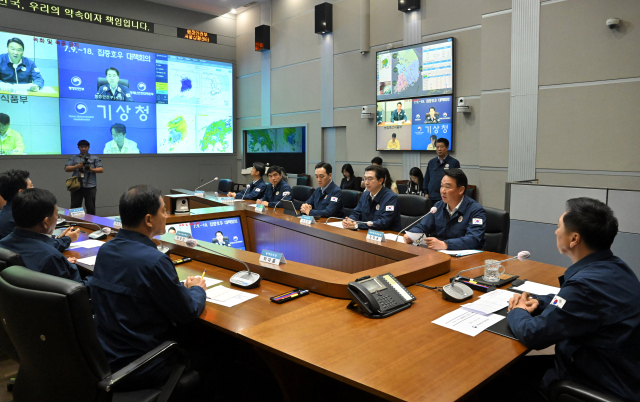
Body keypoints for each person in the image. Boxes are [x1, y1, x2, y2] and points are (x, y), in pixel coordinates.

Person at [505, 198, 640, 401]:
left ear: (574, 238)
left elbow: (534, 334)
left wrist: (518, 311)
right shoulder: (616, 266)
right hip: (621, 371)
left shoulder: (583, 286)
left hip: (595, 381)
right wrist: (541, 302)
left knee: (497, 383)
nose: (556, 232)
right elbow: (577, 304)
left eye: (559, 226)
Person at [91, 184, 206, 391]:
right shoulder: (154, 261)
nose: (166, 215)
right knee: (222, 350)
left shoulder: (106, 250)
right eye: (163, 210)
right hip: (145, 363)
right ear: (148, 219)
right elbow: (187, 312)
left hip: (108, 356)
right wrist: (197, 289)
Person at [0, 189, 87, 285]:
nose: (57, 218)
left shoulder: (3, 243)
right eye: (56, 214)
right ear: (45, 222)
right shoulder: (51, 257)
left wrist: (62, 264)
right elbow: (77, 292)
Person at [404, 169, 485, 250]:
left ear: (461, 190)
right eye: (442, 186)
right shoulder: (438, 206)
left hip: (466, 258)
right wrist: (411, 235)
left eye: (447, 187)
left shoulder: (475, 210)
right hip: (440, 254)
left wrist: (445, 244)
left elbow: (473, 239)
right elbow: (423, 226)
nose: (443, 191)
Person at [0, 169, 79, 248]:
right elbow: (38, 247)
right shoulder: (18, 217)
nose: (34, 189)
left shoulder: (6, 212)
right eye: (31, 186)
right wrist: (68, 239)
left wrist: (56, 238)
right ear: (21, 192)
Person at [343, 165, 401, 232]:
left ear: (381, 180)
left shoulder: (391, 198)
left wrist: (358, 225)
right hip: (366, 233)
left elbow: (383, 223)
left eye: (370, 179)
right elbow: (356, 213)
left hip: (386, 236)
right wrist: (350, 220)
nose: (366, 182)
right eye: (365, 179)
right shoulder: (365, 194)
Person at [65, 139, 103, 216]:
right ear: (78, 148)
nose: (84, 148)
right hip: (77, 186)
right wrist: (77, 166)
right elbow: (66, 168)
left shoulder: (94, 158)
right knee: (75, 206)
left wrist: (91, 169)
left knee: (90, 207)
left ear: (88, 147)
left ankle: (91, 224)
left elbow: (101, 169)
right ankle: (75, 223)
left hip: (90, 186)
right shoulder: (74, 158)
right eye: (82, 147)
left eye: (85, 147)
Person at [422, 138, 460, 207]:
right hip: (432, 198)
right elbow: (426, 179)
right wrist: (426, 193)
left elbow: (457, 181)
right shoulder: (431, 162)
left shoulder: (454, 163)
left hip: (446, 198)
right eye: (437, 147)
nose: (439, 149)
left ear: (447, 147)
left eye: (441, 147)